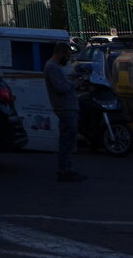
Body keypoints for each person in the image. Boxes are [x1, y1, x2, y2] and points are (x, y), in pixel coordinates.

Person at [46, 41, 84, 183]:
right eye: (67, 56)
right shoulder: (52, 67)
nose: (68, 59)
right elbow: (60, 88)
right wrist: (75, 84)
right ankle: (65, 170)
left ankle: (67, 169)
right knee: (67, 141)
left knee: (68, 140)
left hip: (67, 107)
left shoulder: (54, 67)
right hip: (65, 107)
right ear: (60, 53)